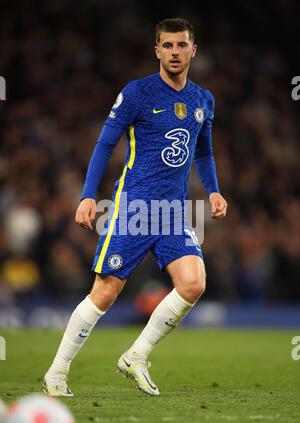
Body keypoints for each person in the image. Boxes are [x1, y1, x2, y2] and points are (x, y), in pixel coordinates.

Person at [43, 18, 227, 397]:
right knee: (105, 293)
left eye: (181, 45)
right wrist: (88, 195)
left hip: (174, 213)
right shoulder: (137, 93)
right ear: (156, 50)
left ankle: (136, 356)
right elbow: (104, 144)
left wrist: (213, 191)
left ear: (193, 50)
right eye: (167, 45)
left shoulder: (203, 100)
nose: (174, 52)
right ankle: (56, 373)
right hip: (133, 210)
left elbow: (203, 151)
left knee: (193, 283)